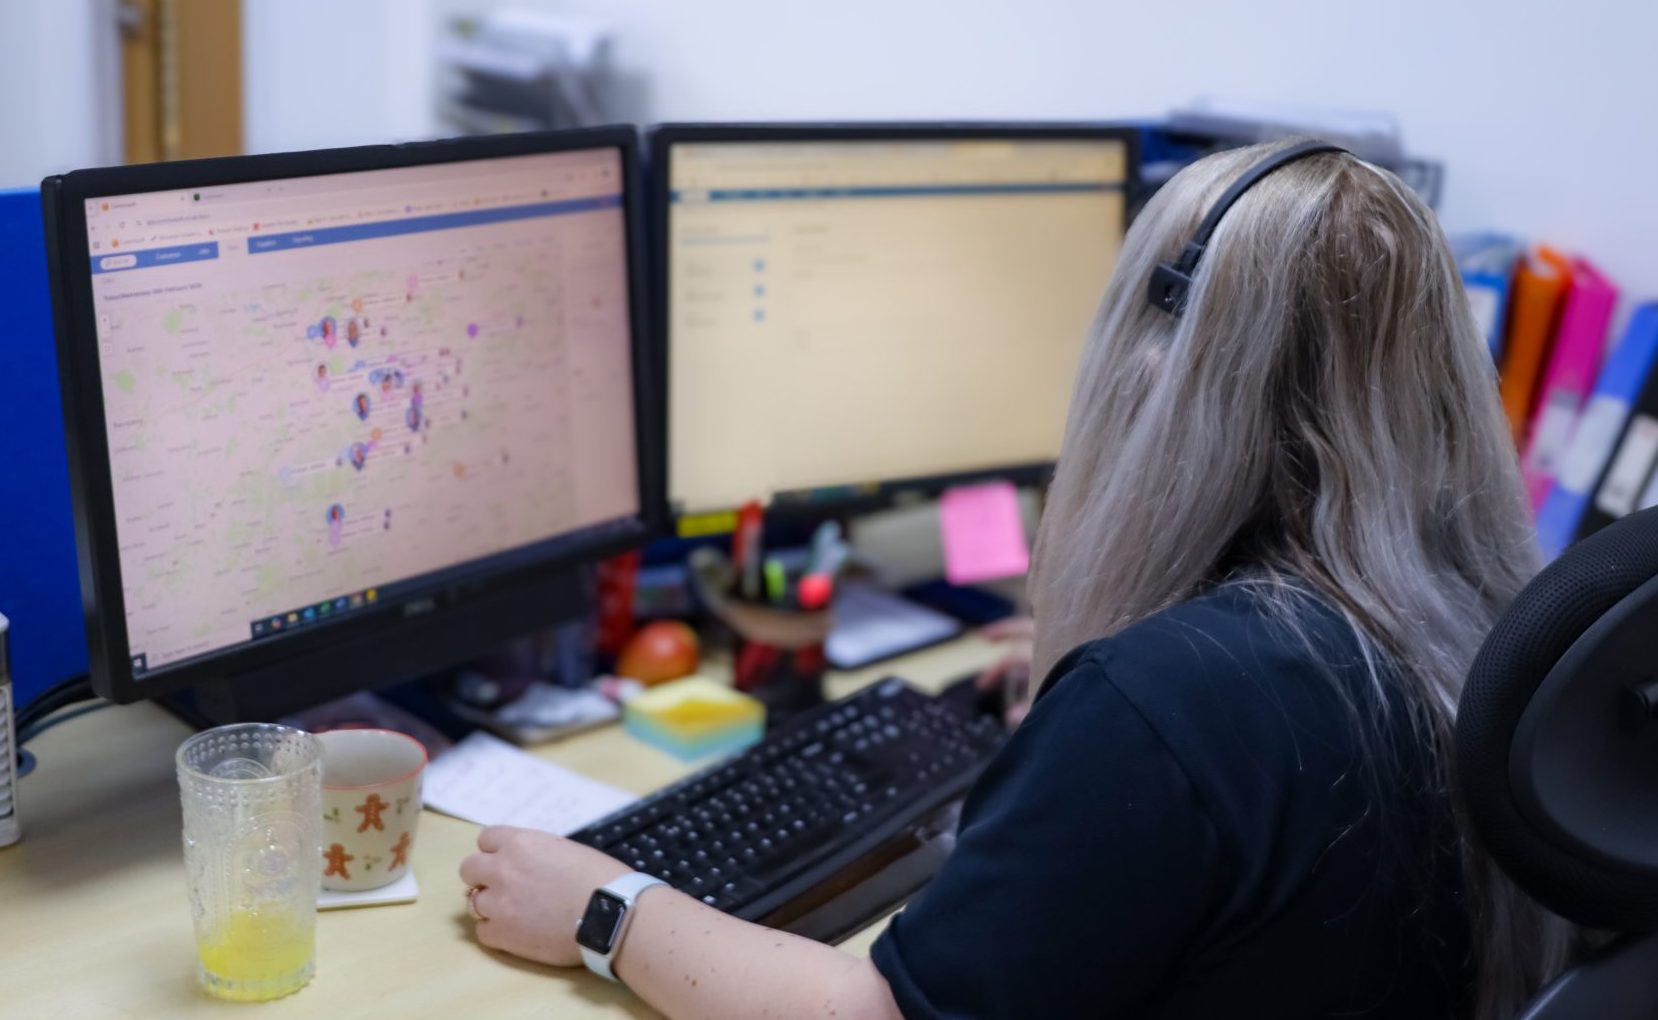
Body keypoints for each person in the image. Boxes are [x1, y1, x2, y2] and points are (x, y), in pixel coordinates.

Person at [459, 140, 1568, 1019]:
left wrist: (602, 908)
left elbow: (878, 1013)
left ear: (1157, 371)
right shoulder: (1478, 627)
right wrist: (1091, 737)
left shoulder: (1173, 703)